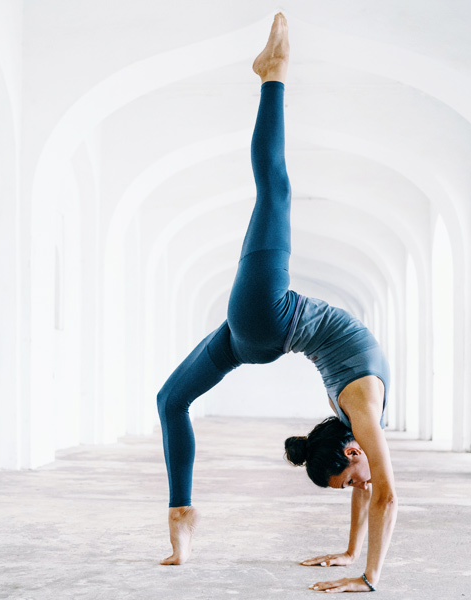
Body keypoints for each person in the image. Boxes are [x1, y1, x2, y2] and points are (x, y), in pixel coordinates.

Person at [156, 13, 397, 593]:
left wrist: (350, 557)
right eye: (348, 481)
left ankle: (273, 76)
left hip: (263, 323)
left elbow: (368, 486)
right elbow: (386, 492)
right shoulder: (361, 410)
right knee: (170, 400)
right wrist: (364, 575)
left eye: (344, 483)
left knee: (274, 191)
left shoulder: (355, 427)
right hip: (263, 322)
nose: (356, 487)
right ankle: (274, 75)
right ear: (350, 448)